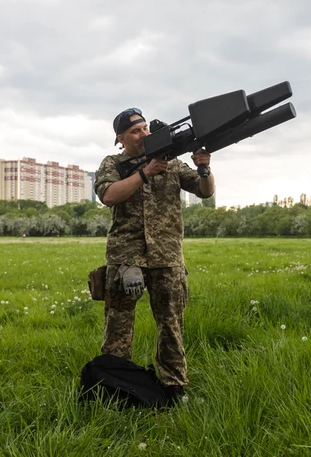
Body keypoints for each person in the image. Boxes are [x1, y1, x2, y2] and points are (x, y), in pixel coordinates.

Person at [93, 107, 215, 402]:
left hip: (168, 256)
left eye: (145, 128)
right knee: (118, 327)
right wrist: (144, 173)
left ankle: (174, 387)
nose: (143, 134)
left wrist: (203, 168)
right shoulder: (113, 163)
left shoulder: (171, 163)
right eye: (135, 131)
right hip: (127, 259)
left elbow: (204, 191)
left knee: (171, 324)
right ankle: (116, 387)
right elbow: (108, 195)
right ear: (120, 138)